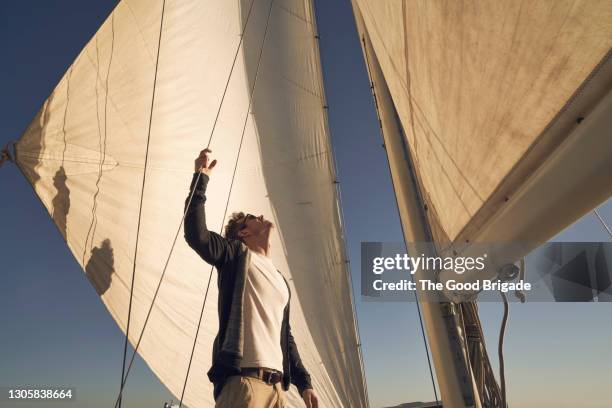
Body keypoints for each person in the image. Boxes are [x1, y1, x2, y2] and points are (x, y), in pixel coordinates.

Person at [184, 148, 319, 408]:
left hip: (278, 390)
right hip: (243, 384)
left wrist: (305, 384)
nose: (260, 216)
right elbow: (197, 236)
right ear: (244, 233)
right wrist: (200, 178)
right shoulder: (235, 255)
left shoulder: (280, 280)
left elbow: (285, 337)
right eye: (252, 218)